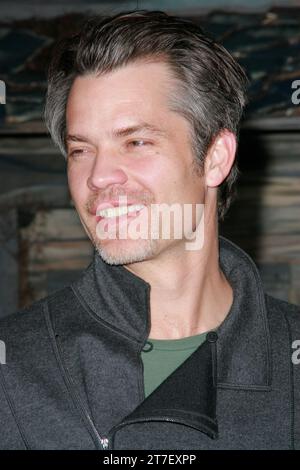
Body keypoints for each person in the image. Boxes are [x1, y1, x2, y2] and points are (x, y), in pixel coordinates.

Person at [0, 10, 299, 450]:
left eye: (136, 142)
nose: (99, 176)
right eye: (81, 149)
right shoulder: (13, 367)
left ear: (216, 157)